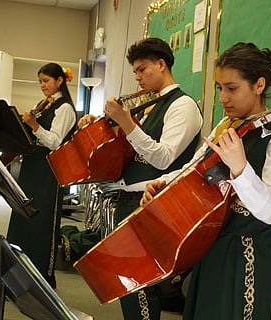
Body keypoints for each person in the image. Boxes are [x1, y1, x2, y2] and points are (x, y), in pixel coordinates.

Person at [141, 42, 271, 319]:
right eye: (219, 88)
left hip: (246, 257)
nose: (222, 98)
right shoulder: (225, 127)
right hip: (210, 244)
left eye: (232, 88)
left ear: (259, 85)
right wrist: (165, 182)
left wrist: (241, 169)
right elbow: (194, 168)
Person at [78, 37, 203, 319]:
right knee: (129, 287)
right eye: (134, 71)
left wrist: (126, 122)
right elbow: (131, 150)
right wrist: (100, 127)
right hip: (128, 200)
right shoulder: (151, 104)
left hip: (151, 205)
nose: (137, 78)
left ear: (161, 65)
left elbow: (162, 157)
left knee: (141, 288)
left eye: (142, 69)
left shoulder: (183, 106)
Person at [6, 62, 77, 289]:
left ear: (59, 81)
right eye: (40, 82)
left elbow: (55, 141)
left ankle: (42, 277)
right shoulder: (45, 104)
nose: (42, 86)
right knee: (24, 218)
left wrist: (34, 126)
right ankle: (19, 272)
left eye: (46, 81)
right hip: (31, 167)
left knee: (42, 222)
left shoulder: (64, 108)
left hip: (48, 171)